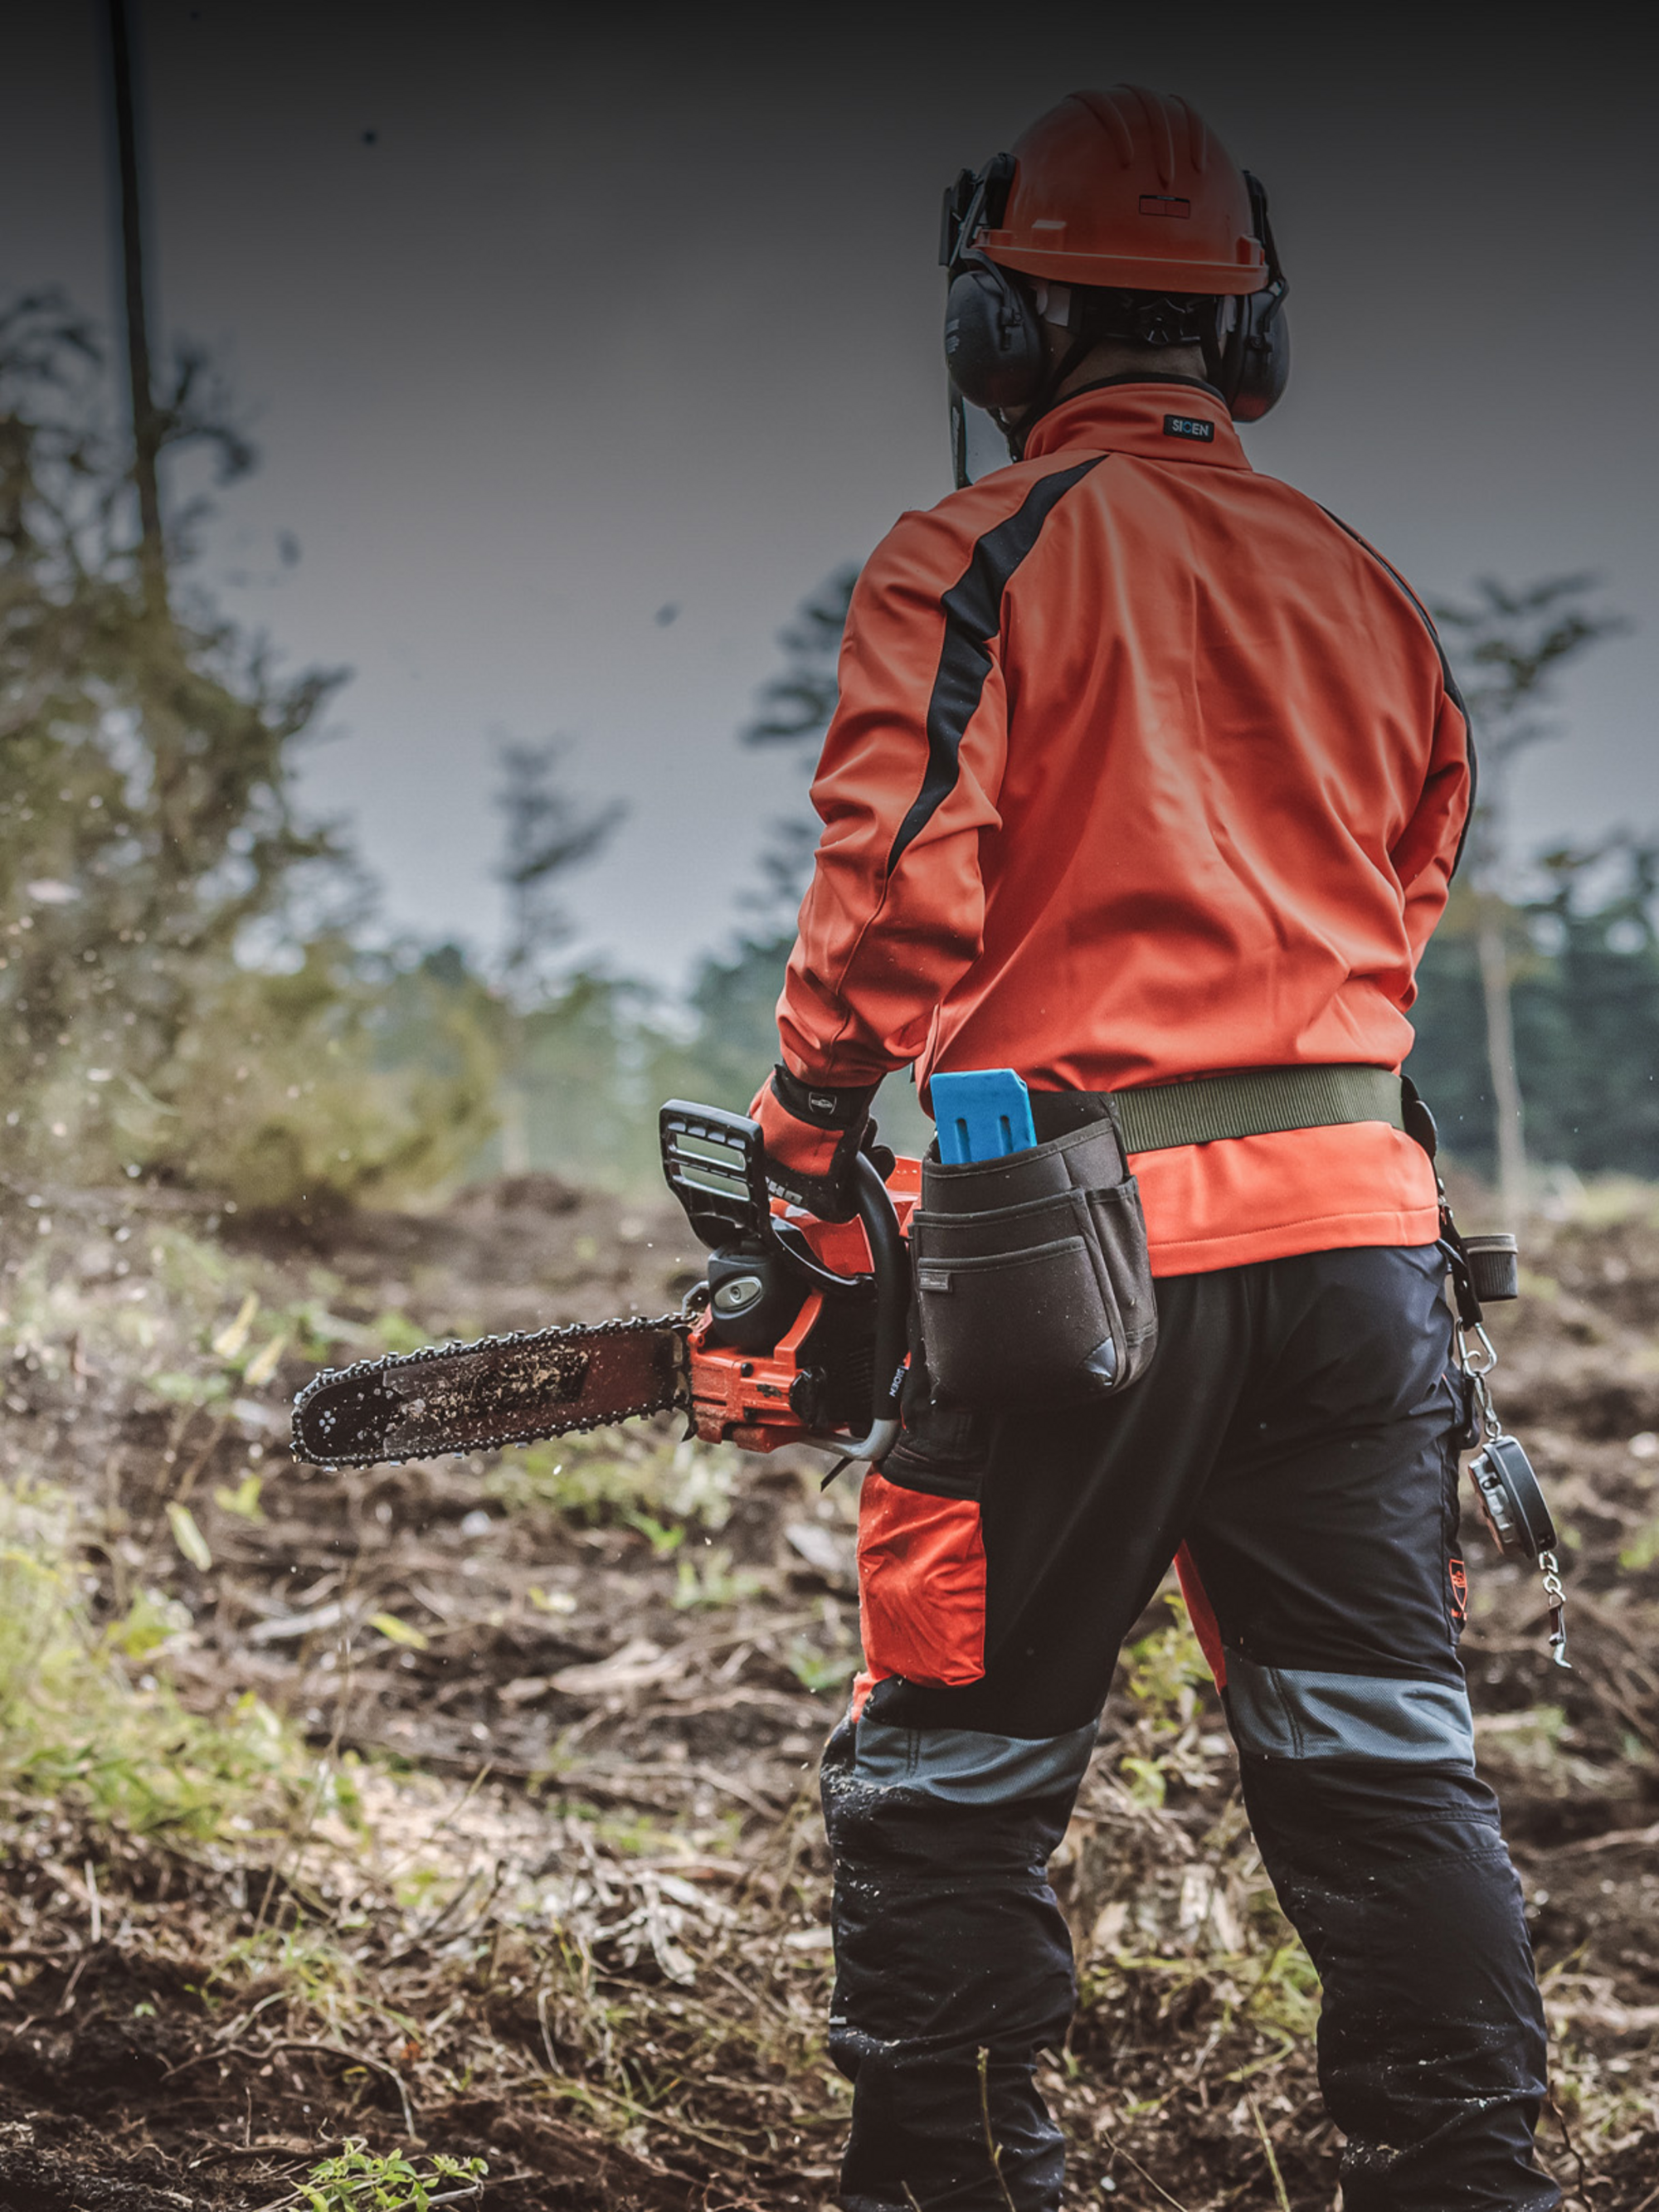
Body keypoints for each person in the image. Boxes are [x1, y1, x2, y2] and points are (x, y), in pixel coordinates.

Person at [749, 85, 1559, 2212]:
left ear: (997, 327)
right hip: (1361, 1248)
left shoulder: (968, 554)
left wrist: (809, 1163)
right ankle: (1473, 2179)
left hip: (1068, 1270)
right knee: (1385, 1764)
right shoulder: (1364, 587)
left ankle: (953, 2171)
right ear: (1246, 338)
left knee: (956, 1762)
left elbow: (893, 900)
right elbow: (1408, 881)